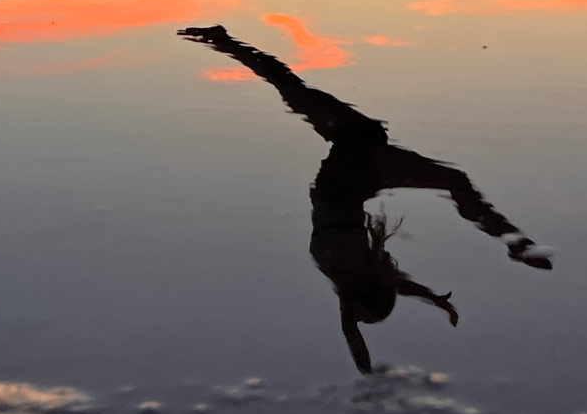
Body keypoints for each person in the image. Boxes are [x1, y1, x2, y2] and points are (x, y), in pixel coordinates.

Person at [179, 25, 551, 374]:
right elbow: (381, 290)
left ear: (374, 283)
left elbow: (357, 315)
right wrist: (429, 297)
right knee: (287, 86)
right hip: (355, 166)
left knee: (286, 84)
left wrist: (364, 361)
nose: (395, 273)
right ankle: (511, 240)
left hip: (356, 164)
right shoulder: (346, 272)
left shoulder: (344, 262)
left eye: (390, 281)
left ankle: (511, 240)